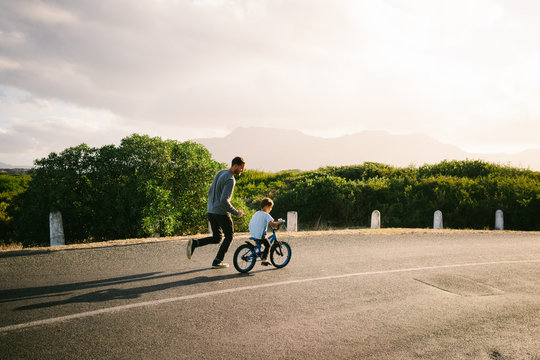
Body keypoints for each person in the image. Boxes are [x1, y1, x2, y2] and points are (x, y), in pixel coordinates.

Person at [186, 156, 245, 268]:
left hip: (210, 210)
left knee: (217, 237)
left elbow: (210, 191)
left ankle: (195, 243)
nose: (242, 170)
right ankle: (217, 261)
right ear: (235, 166)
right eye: (241, 168)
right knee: (229, 236)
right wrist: (236, 212)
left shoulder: (220, 172)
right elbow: (224, 201)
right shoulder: (230, 179)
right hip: (220, 212)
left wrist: (213, 205)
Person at [248, 197, 283, 266]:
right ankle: (264, 260)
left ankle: (259, 250)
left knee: (260, 242)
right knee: (267, 245)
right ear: (266, 206)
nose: (271, 209)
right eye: (270, 207)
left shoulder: (257, 213)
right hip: (259, 235)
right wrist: (279, 222)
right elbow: (272, 224)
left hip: (253, 233)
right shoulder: (266, 215)